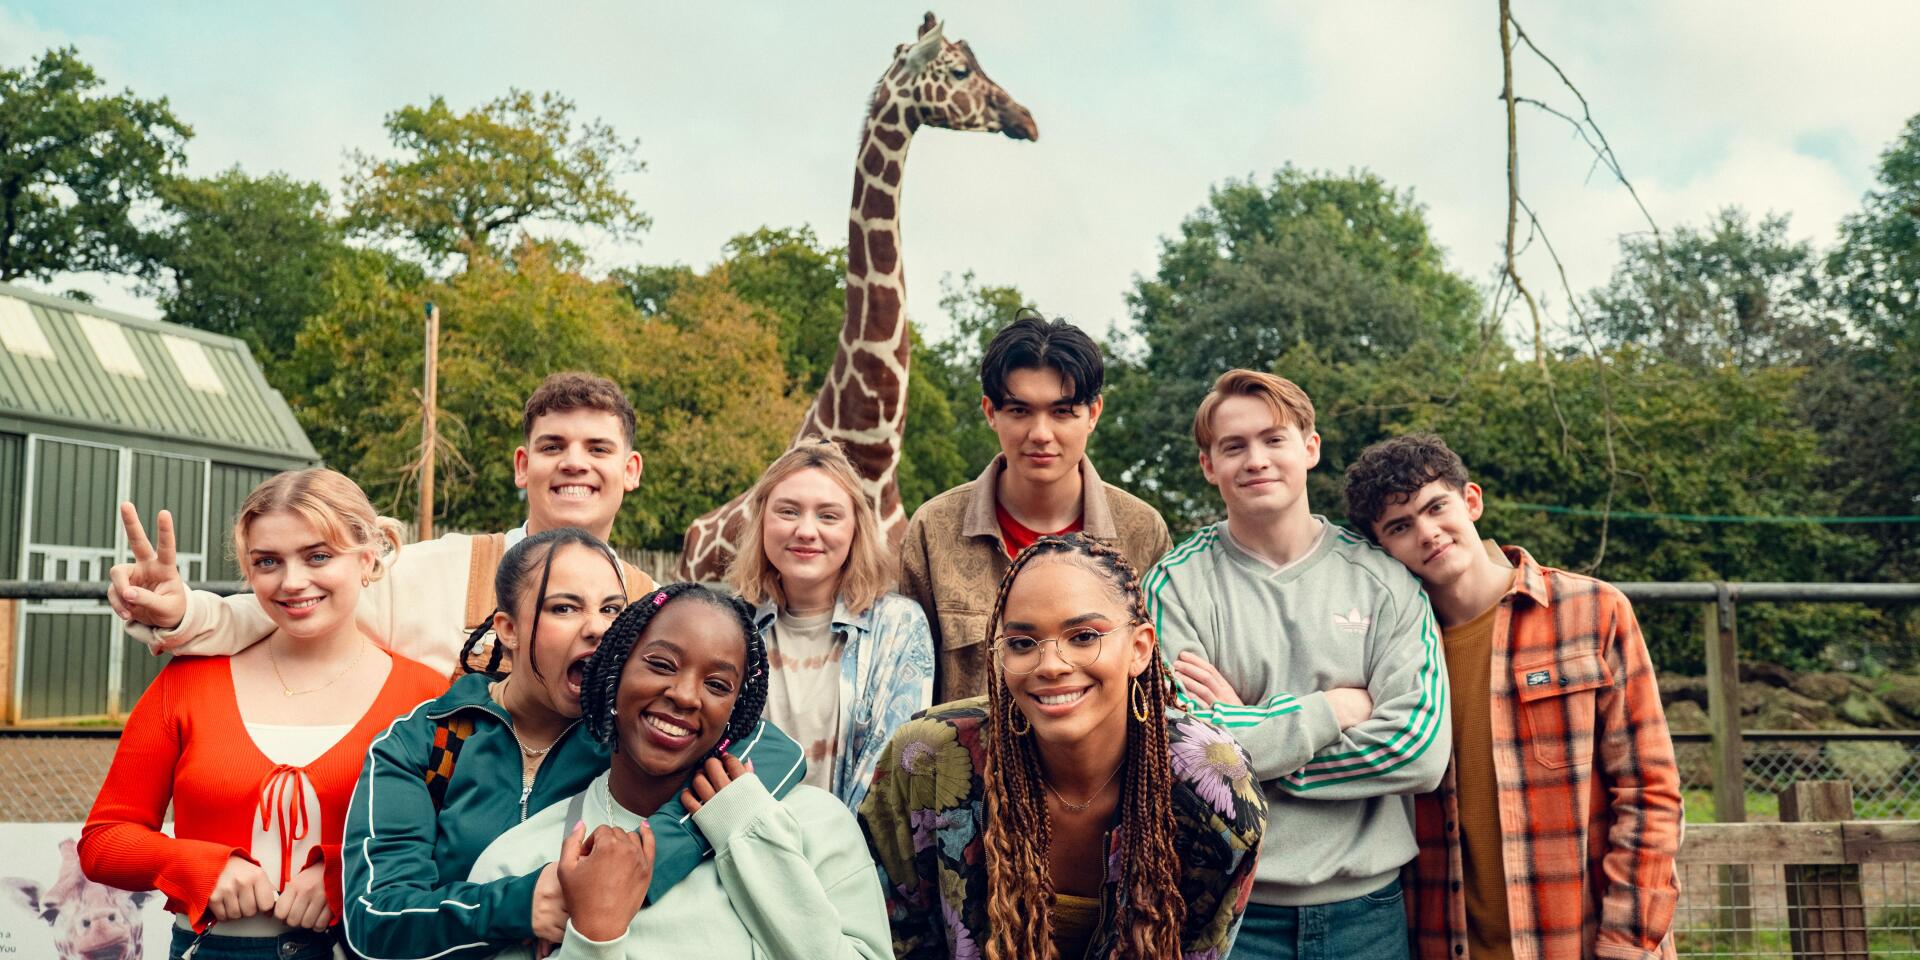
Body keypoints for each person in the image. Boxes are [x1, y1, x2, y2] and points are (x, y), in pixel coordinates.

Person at [341, 529, 806, 960]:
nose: (597, 628)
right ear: (508, 627)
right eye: (564, 608)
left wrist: (639, 866)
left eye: (611, 610)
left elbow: (774, 750)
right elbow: (374, 917)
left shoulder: (628, 730)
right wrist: (524, 904)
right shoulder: (425, 741)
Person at [79, 469, 448, 960]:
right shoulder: (188, 681)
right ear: (249, 572)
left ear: (367, 558)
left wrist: (347, 874)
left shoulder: (425, 696)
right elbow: (104, 840)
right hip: (211, 950)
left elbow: (453, 836)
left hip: (355, 947)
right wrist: (198, 865)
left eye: (318, 556)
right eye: (268, 561)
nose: (293, 582)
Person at [1145, 369, 1450, 960]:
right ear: (1210, 466)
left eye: (1273, 439)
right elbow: (1179, 754)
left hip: (1368, 913)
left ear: (1309, 448)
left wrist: (1251, 739)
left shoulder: (1386, 582)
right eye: (1234, 446)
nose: (1256, 459)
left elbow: (1420, 752)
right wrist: (1333, 709)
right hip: (1229, 913)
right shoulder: (1175, 586)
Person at [1343, 433, 1682, 960]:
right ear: (1382, 546)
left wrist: (1627, 940)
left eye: (1437, 508)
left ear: (1471, 500)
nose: (1428, 533)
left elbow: (1650, 791)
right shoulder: (1387, 652)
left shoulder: (1593, 611)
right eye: (1400, 527)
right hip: (1442, 940)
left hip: (1582, 941)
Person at [861, 533, 1265, 960]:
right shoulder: (928, 760)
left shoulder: (1213, 786)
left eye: (1084, 636)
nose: (1051, 664)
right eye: (1021, 643)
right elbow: (894, 939)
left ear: (1140, 648)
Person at [109, 371, 657, 676]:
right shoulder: (431, 573)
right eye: (553, 446)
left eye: (598, 448)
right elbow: (280, 610)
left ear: (629, 471)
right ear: (522, 466)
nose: (574, 463)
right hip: (426, 858)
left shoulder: (653, 609)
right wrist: (181, 612)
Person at [466, 582, 892, 958]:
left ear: (736, 712)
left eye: (718, 685)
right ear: (614, 673)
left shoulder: (817, 824)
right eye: (661, 664)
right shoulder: (521, 866)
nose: (687, 695)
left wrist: (752, 835)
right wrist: (594, 935)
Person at [900, 311, 1172, 702]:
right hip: (971, 761)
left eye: (1062, 412)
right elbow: (909, 687)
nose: (1041, 434)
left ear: (1092, 414)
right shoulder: (934, 528)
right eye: (1020, 411)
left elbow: (1154, 682)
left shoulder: (1141, 530)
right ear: (990, 412)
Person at [725, 439, 934, 809]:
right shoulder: (731, 626)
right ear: (762, 521)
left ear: (856, 527)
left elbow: (890, 771)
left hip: (852, 856)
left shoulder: (898, 627)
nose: (806, 530)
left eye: (828, 515)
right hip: (744, 846)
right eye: (788, 512)